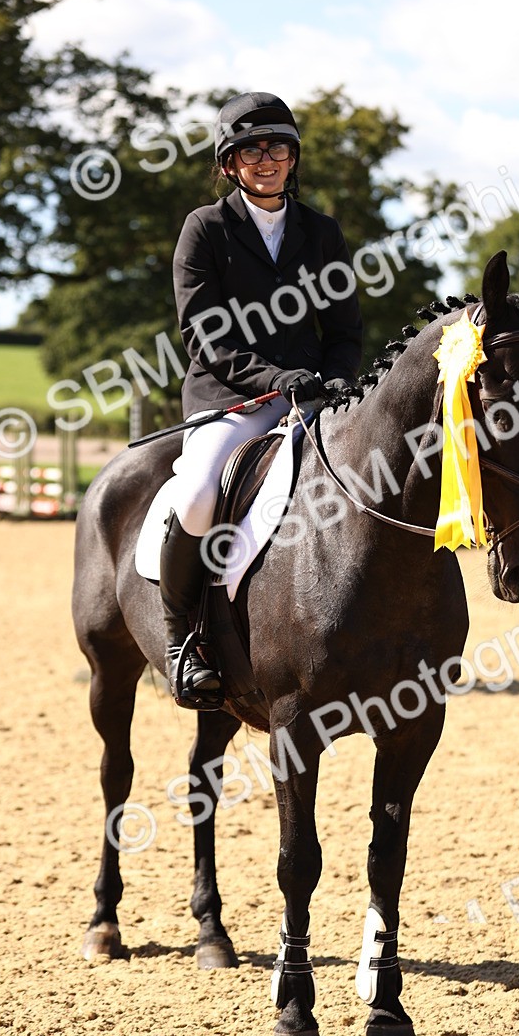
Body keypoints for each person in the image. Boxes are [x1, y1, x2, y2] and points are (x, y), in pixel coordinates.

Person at [160, 91, 363, 710]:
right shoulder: (205, 228)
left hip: (312, 399)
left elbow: (346, 330)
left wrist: (332, 382)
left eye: (277, 147)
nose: (267, 158)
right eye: (251, 149)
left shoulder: (321, 232)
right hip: (231, 400)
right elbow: (205, 334)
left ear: (293, 157)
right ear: (230, 164)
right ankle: (184, 643)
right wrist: (276, 380)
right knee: (197, 495)